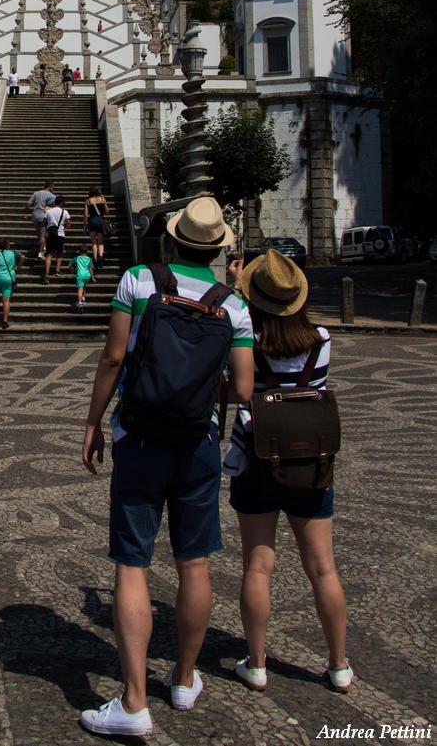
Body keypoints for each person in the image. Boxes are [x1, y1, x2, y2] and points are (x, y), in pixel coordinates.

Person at [80, 196, 254, 734]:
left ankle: (134, 702)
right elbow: (244, 388)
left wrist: (92, 422)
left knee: (132, 564)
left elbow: (113, 357)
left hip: (139, 435)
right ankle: (182, 680)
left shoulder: (138, 280)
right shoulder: (236, 306)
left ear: (172, 238)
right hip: (197, 440)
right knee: (193, 563)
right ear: (220, 247)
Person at [224, 249, 352, 694]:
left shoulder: (245, 340)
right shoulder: (321, 338)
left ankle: (256, 663)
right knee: (323, 569)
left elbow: (238, 385)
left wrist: (234, 285)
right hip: (311, 462)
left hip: (258, 458)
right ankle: (339, 665)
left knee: (257, 567)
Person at [0, 238, 22, 329]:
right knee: (6, 300)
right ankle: (5, 321)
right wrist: (17, 268)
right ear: (8, 246)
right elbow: (23, 257)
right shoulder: (13, 253)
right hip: (9, 278)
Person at [23, 181, 56, 259]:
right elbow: (52, 207)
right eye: (53, 187)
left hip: (35, 216)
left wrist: (26, 213)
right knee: (43, 235)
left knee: (39, 233)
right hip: (44, 217)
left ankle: (42, 247)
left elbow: (28, 204)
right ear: (50, 187)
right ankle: (40, 253)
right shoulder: (52, 196)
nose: (53, 189)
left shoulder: (36, 193)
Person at [43, 198, 70, 281]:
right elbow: (68, 225)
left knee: (49, 254)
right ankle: (57, 271)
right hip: (60, 234)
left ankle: (47, 273)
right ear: (62, 203)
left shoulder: (48, 211)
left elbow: (44, 223)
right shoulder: (65, 212)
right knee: (59, 253)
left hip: (50, 234)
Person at [84, 184, 110, 266]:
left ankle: (95, 259)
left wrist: (85, 224)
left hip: (91, 221)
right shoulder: (102, 199)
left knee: (94, 242)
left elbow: (85, 214)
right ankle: (101, 257)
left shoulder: (88, 200)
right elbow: (107, 211)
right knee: (100, 242)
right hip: (100, 221)